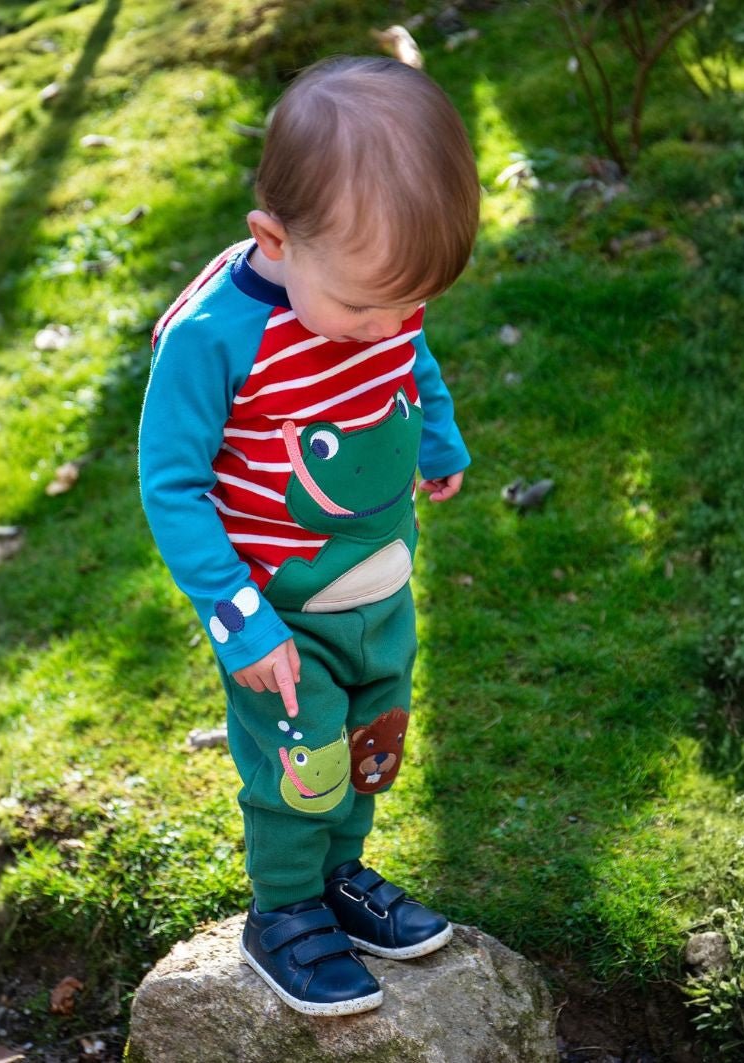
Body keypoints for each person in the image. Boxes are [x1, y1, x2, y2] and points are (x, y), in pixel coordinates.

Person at [138, 54, 480, 1016]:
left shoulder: (380, 306)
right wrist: (236, 618)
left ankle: (340, 875)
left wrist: (438, 433)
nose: (387, 330)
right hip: (278, 618)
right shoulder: (215, 337)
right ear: (273, 241)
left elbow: (412, 359)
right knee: (301, 764)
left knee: (371, 741)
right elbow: (169, 486)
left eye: (408, 306)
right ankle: (283, 911)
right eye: (363, 309)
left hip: (379, 590)